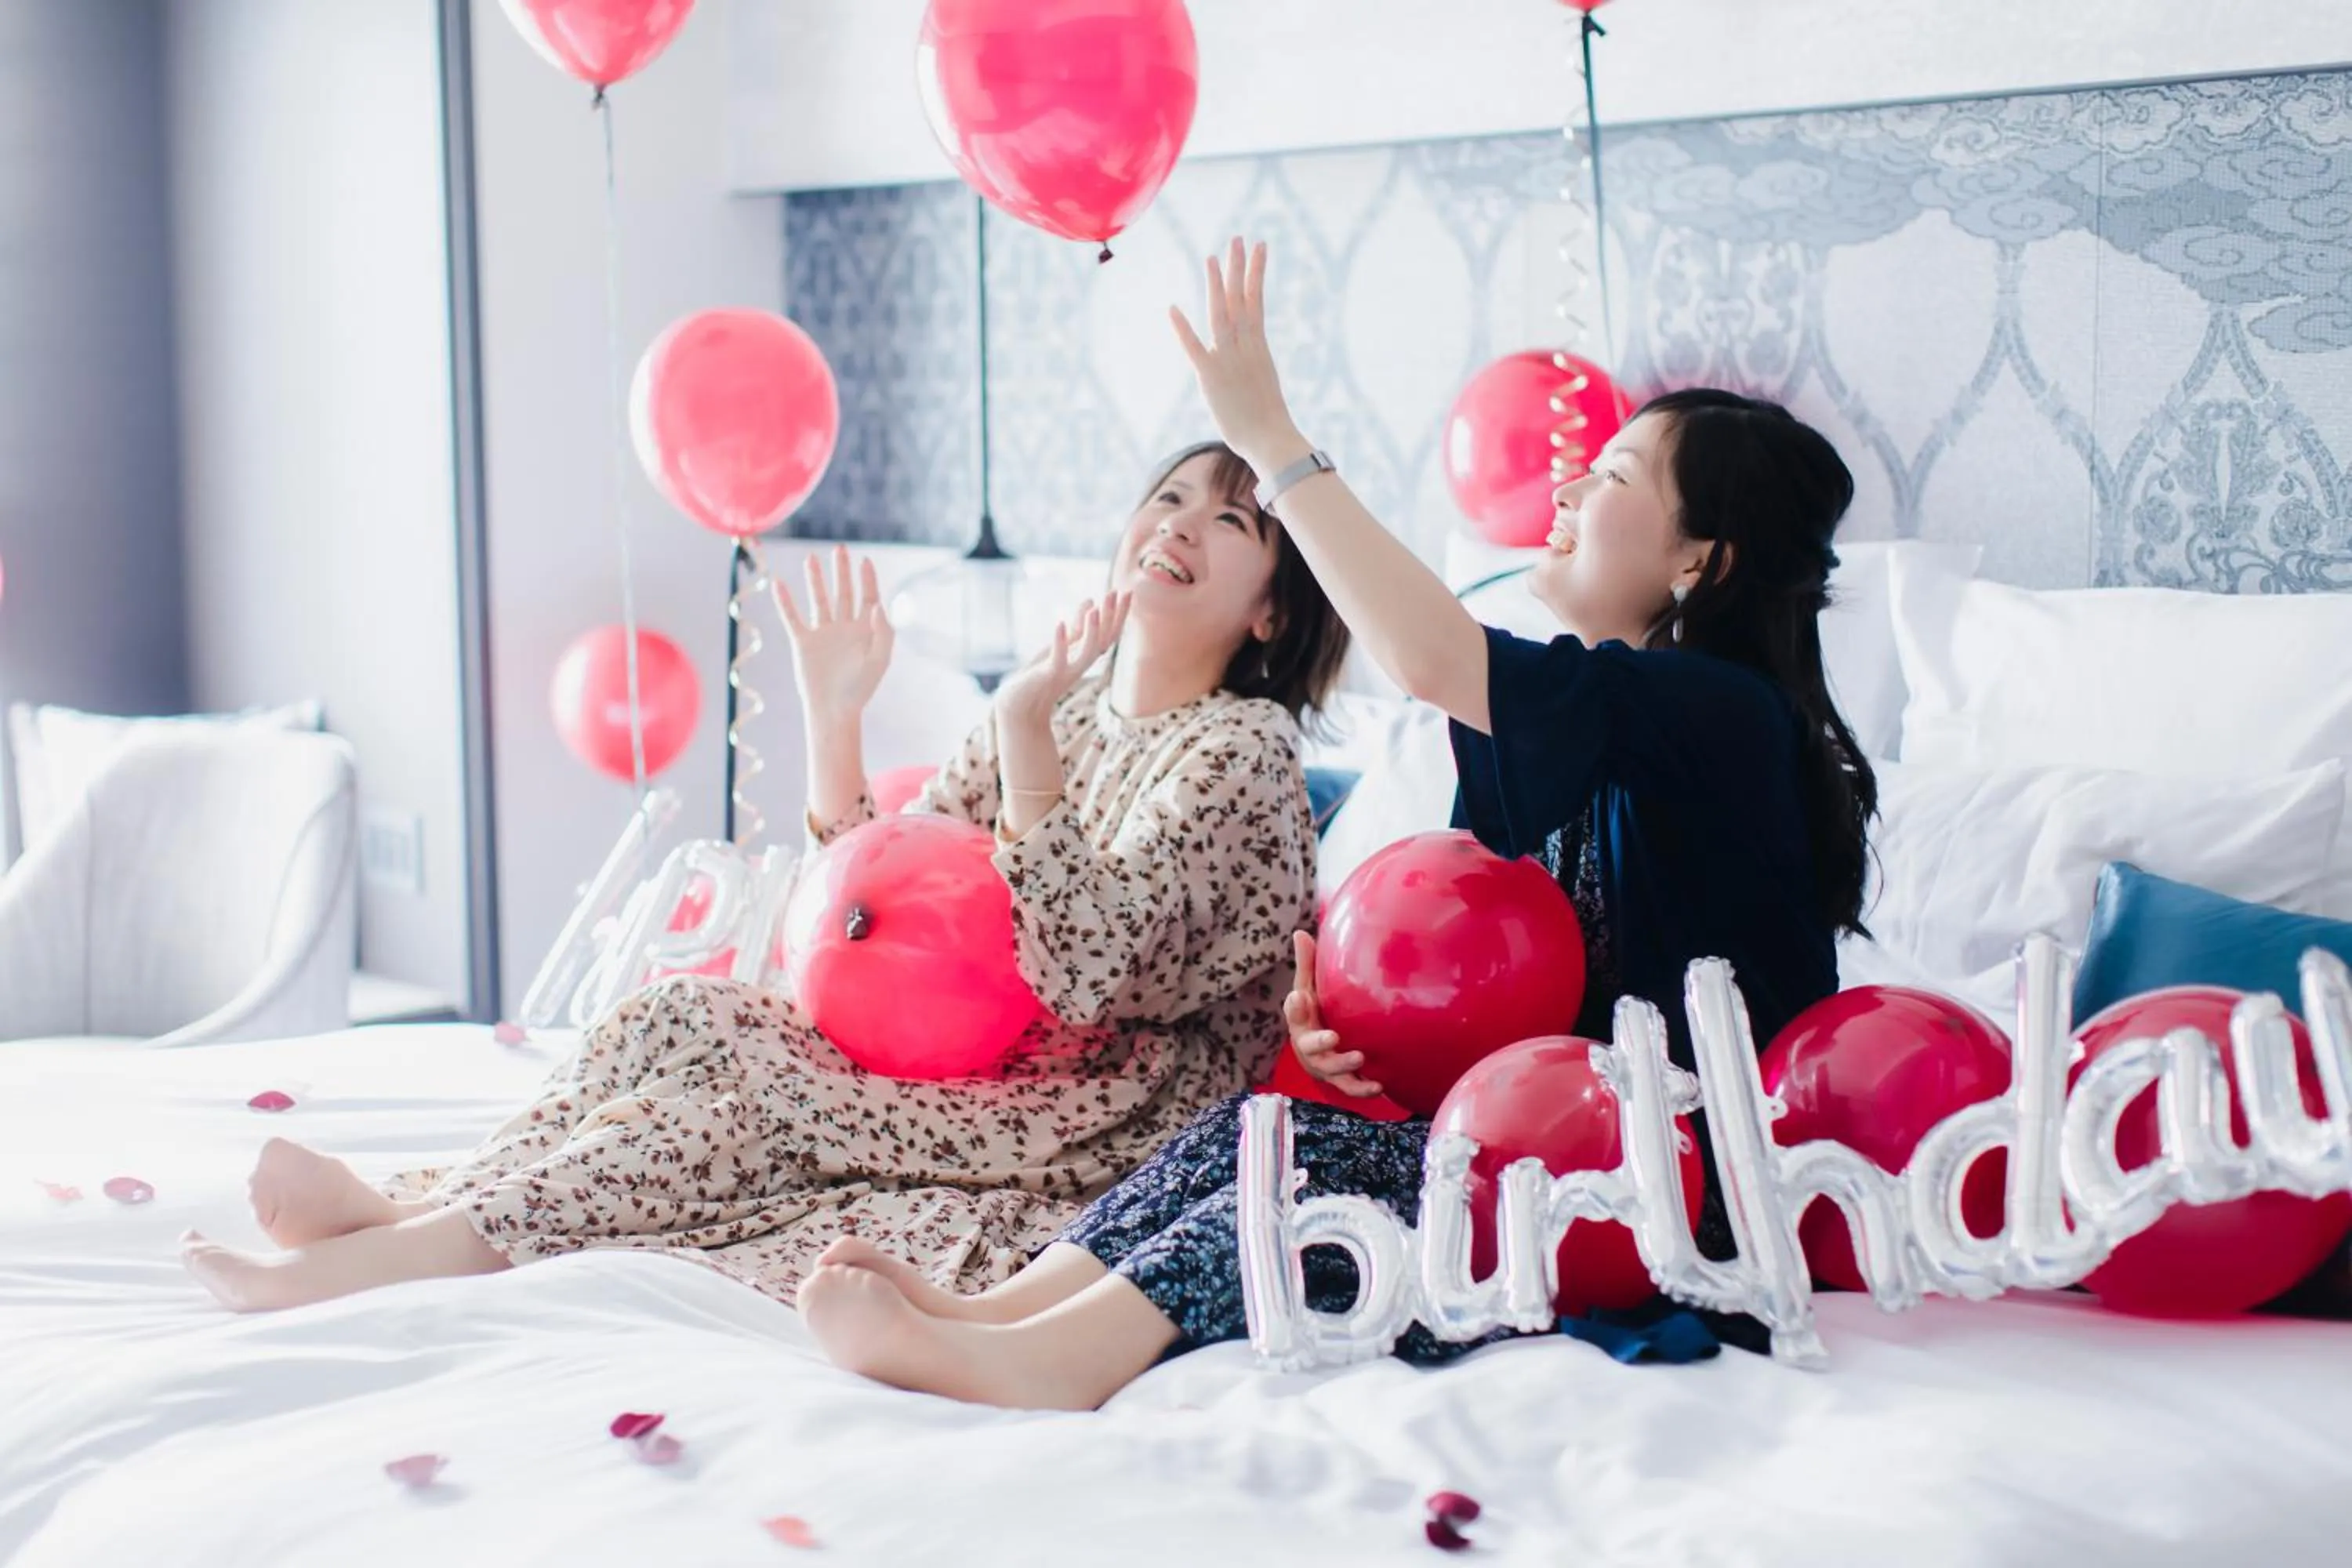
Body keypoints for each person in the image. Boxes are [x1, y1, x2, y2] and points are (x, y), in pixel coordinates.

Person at [796, 237, 1878, 1409]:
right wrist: (1357, 1050)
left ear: (1700, 561)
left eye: (1611, 479)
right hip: (1558, 1147)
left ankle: (1047, 1365)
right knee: (1264, 1128)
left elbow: (1427, 658)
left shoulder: (1723, 714)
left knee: (1317, 1179)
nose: (1564, 494)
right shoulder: (1588, 726)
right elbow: (1493, 976)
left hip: (1673, 1191)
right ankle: (998, 1311)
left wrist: (1273, 439)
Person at [180, 440, 1350, 1313]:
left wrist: (1023, 733)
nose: (1185, 521)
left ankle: (395, 1261)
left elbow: (1092, 971)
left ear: (1270, 612)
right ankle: (424, 1205)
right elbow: (880, 904)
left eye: (1234, 519)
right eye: (1171, 494)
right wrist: (834, 717)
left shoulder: (1240, 751)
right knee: (683, 1012)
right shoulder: (1061, 706)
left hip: (1085, 1117)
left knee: (741, 1111)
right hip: (964, 1061)